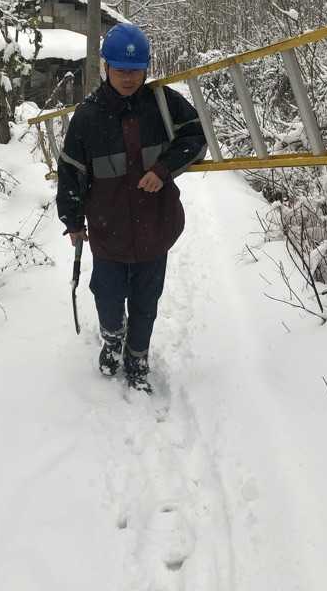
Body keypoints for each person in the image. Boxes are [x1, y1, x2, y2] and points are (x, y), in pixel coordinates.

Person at [56, 23, 206, 392]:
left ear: (146, 68)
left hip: (155, 229)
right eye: (121, 70)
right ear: (106, 67)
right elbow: (71, 172)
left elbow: (195, 137)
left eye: (136, 70)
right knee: (107, 296)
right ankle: (112, 339)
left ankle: (137, 357)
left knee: (145, 302)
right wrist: (73, 220)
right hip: (108, 232)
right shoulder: (87, 117)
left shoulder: (163, 104)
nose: (128, 78)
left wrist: (163, 168)